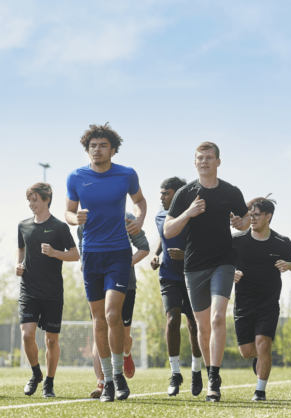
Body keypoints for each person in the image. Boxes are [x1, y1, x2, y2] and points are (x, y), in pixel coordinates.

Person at [65, 123, 147, 402]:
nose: (97, 150)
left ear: (112, 149)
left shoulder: (126, 174)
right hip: (91, 256)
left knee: (113, 314)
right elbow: (67, 210)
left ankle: (118, 375)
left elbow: (140, 201)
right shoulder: (76, 177)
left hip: (119, 253)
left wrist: (139, 219)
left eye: (102, 146)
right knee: (98, 320)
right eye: (92, 146)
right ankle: (108, 382)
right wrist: (73, 219)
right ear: (87, 150)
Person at [164, 142, 249, 402]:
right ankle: (210, 372)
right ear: (195, 162)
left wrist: (240, 223)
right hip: (194, 266)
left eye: (209, 157)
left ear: (218, 162)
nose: (204, 161)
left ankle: (213, 377)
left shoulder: (230, 191)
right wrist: (188, 213)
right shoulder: (185, 193)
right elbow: (168, 231)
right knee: (202, 326)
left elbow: (245, 221)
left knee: (217, 318)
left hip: (223, 261)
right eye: (199, 158)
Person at [233, 196, 291, 401]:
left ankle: (260, 391)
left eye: (256, 215)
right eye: (250, 215)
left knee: (264, 344)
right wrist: (232, 273)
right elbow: (222, 263)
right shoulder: (237, 240)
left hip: (268, 303)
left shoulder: (281, 241)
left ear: (268, 216)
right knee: (247, 352)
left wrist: (289, 265)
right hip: (243, 304)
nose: (252, 219)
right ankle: (258, 359)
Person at [15, 183, 79, 398]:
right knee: (27, 335)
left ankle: (49, 383)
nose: (31, 204)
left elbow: (75, 254)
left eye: (34, 199)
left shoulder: (60, 227)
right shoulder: (23, 225)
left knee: (51, 341)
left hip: (52, 292)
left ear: (46, 200)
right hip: (28, 290)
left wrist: (54, 253)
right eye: (29, 200)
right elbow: (21, 248)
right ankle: (36, 373)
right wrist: (19, 264)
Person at [83, 212, 149, 398]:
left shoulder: (126, 217)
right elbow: (84, 248)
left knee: (121, 335)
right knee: (100, 327)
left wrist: (122, 266)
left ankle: (125, 353)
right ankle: (103, 382)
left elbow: (143, 247)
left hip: (125, 283)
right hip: (97, 280)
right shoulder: (86, 219)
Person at [151, 176, 203, 397]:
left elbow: (204, 244)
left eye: (166, 193)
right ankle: (175, 374)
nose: (161, 197)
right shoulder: (160, 216)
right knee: (172, 319)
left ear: (177, 194)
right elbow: (164, 237)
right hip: (169, 276)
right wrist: (156, 255)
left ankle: (197, 370)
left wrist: (185, 255)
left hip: (193, 276)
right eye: (161, 193)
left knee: (194, 324)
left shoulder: (195, 216)